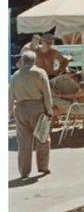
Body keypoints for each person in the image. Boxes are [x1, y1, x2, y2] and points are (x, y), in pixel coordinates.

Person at [9, 50, 52, 178]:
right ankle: (43, 167)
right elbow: (47, 93)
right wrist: (49, 109)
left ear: (22, 61)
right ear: (35, 60)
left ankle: (24, 171)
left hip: (20, 109)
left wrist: (11, 110)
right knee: (43, 139)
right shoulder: (40, 73)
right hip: (37, 107)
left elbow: (10, 94)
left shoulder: (16, 75)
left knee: (24, 142)